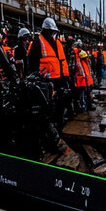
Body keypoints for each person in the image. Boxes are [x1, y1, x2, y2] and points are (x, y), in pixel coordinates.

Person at [28, 17, 70, 152]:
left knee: (58, 110)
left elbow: (61, 62)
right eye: (50, 31)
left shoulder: (57, 43)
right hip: (45, 84)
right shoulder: (38, 41)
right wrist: (36, 79)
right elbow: (32, 63)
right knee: (47, 113)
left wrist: (65, 79)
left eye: (53, 32)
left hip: (57, 82)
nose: (52, 34)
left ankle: (58, 133)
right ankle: (49, 141)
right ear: (45, 30)